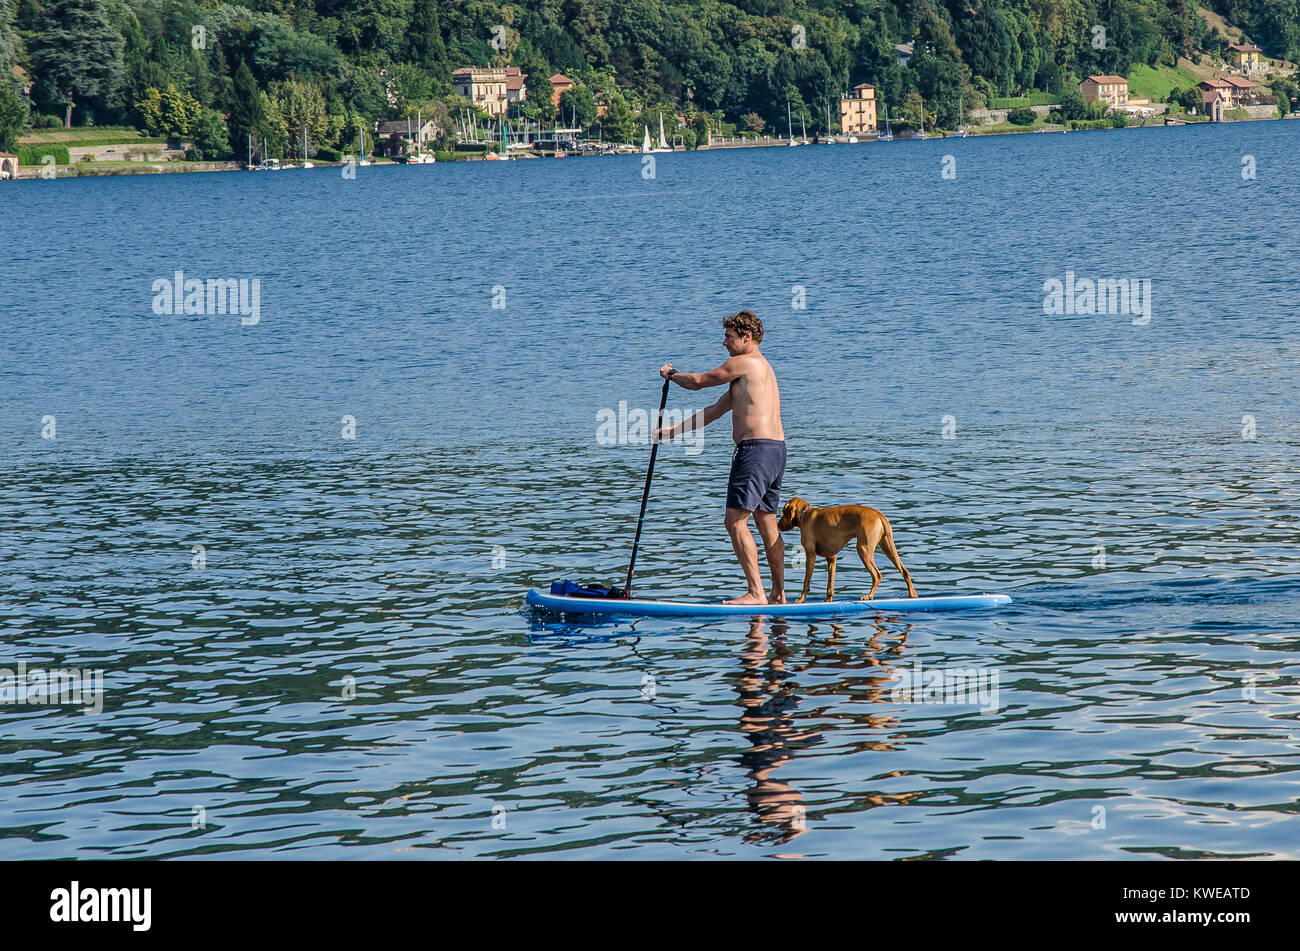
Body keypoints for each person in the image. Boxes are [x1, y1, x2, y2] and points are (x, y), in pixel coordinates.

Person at [654, 310, 786, 605]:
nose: (724, 343)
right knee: (767, 522)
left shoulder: (744, 362)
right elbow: (715, 410)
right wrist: (674, 431)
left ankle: (756, 593)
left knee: (735, 522)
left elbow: (699, 381)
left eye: (729, 337)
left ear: (746, 338)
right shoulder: (759, 370)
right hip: (776, 450)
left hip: (755, 451)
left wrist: (671, 374)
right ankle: (778, 593)